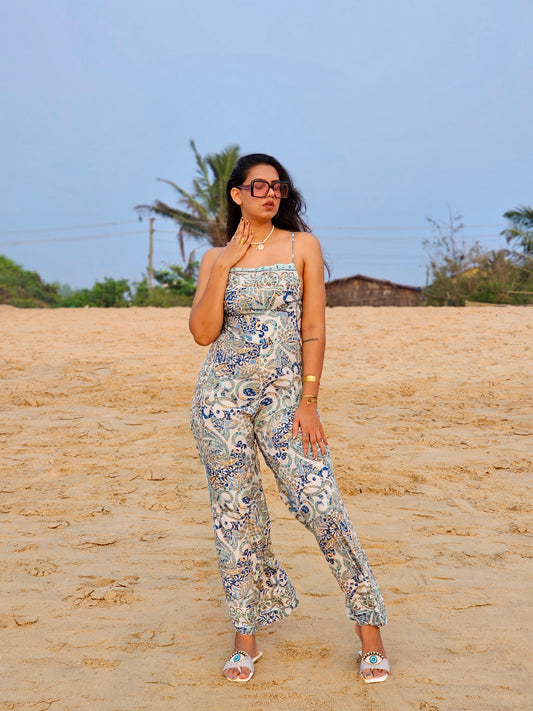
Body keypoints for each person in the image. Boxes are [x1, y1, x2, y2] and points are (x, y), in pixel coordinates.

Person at [189, 153, 389, 684]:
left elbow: (314, 328)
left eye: (277, 186)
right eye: (259, 186)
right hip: (220, 403)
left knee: (321, 505)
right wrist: (226, 265)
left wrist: (310, 401)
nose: (270, 194)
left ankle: (369, 627)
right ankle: (245, 636)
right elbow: (203, 333)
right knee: (236, 517)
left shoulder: (303, 246)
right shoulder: (213, 259)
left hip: (286, 401)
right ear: (237, 195)